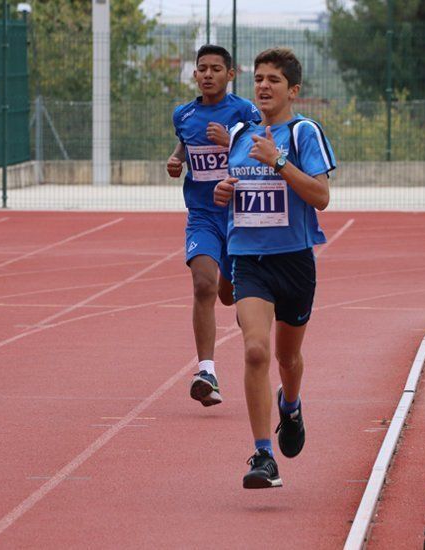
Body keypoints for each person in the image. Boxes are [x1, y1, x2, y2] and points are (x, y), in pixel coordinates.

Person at [213, 48, 336, 488]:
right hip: (250, 261)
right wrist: (225, 193)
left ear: (293, 90)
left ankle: (292, 405)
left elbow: (321, 197)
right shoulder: (240, 133)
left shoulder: (304, 133)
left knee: (288, 358)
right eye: (259, 78)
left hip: (295, 262)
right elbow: (236, 196)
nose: (263, 86)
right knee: (255, 351)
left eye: (274, 80)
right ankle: (263, 456)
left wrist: (279, 162)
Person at [169, 44, 261, 407]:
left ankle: (258, 347)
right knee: (204, 284)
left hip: (240, 215)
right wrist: (176, 160)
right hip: (203, 216)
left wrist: (233, 139)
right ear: (195, 74)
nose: (208, 74)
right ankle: (206, 372)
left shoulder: (243, 110)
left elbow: (263, 148)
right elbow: (184, 145)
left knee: (229, 294)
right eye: (202, 69)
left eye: (216, 69)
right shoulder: (183, 114)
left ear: (230, 74)